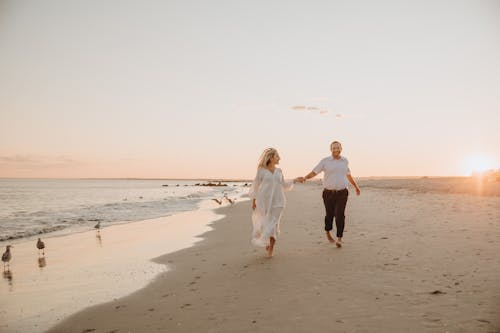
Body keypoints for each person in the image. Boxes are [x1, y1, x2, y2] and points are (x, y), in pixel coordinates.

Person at [299, 141, 360, 247]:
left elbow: (348, 175)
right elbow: (315, 172)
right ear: (330, 149)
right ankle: (327, 231)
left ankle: (339, 238)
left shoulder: (345, 161)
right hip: (328, 193)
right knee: (329, 215)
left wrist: (356, 186)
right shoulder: (325, 161)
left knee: (340, 215)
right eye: (334, 148)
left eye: (338, 147)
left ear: (341, 148)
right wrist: (305, 177)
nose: (336, 149)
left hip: (342, 192)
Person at [249, 148, 300, 258]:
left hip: (279, 201)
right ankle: (267, 241)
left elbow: (284, 185)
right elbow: (256, 186)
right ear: (271, 157)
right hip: (264, 201)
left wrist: (295, 180)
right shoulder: (261, 170)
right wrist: (254, 201)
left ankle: (271, 247)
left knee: (274, 225)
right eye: (277, 156)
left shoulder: (279, 171)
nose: (279, 158)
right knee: (265, 224)